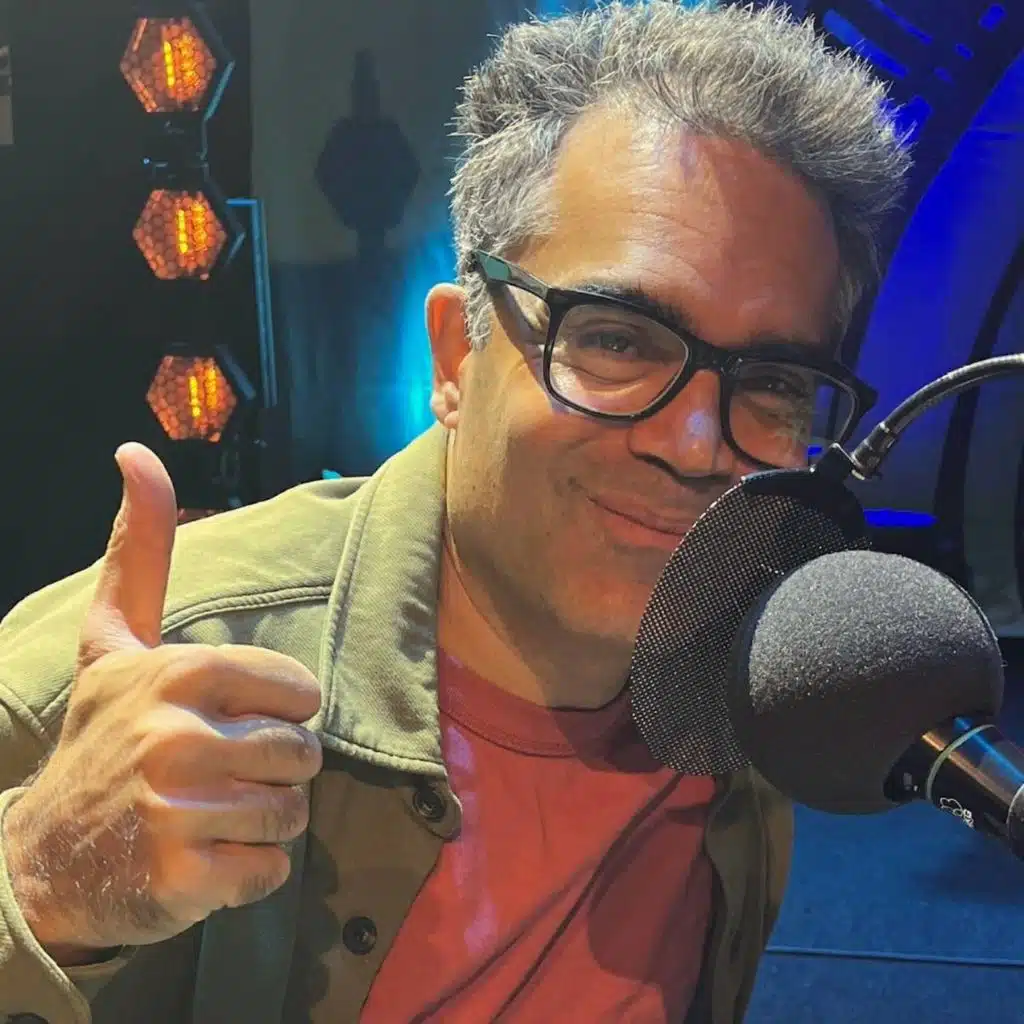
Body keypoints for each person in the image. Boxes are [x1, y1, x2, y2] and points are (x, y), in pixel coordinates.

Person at [0, 3, 909, 1022]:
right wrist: (38, 888)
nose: (697, 445)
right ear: (456, 355)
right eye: (616, 340)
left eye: (773, 383)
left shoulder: (758, 662)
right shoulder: (144, 678)